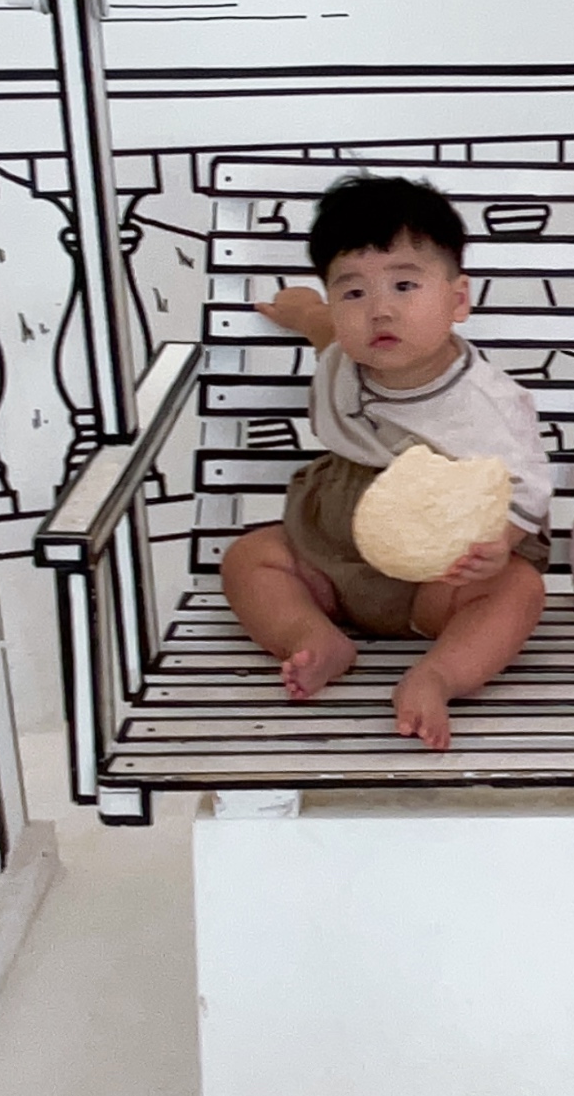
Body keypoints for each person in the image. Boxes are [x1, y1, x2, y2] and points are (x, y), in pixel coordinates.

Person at [219, 172, 550, 752]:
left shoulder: (487, 403)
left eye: (404, 285)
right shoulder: (342, 350)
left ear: (457, 300)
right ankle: (314, 636)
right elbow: (319, 324)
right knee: (249, 558)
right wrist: (298, 308)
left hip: (438, 575)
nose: (380, 311)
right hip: (332, 545)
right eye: (353, 293)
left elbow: (526, 486)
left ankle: (437, 675)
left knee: (517, 590)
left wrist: (498, 543)